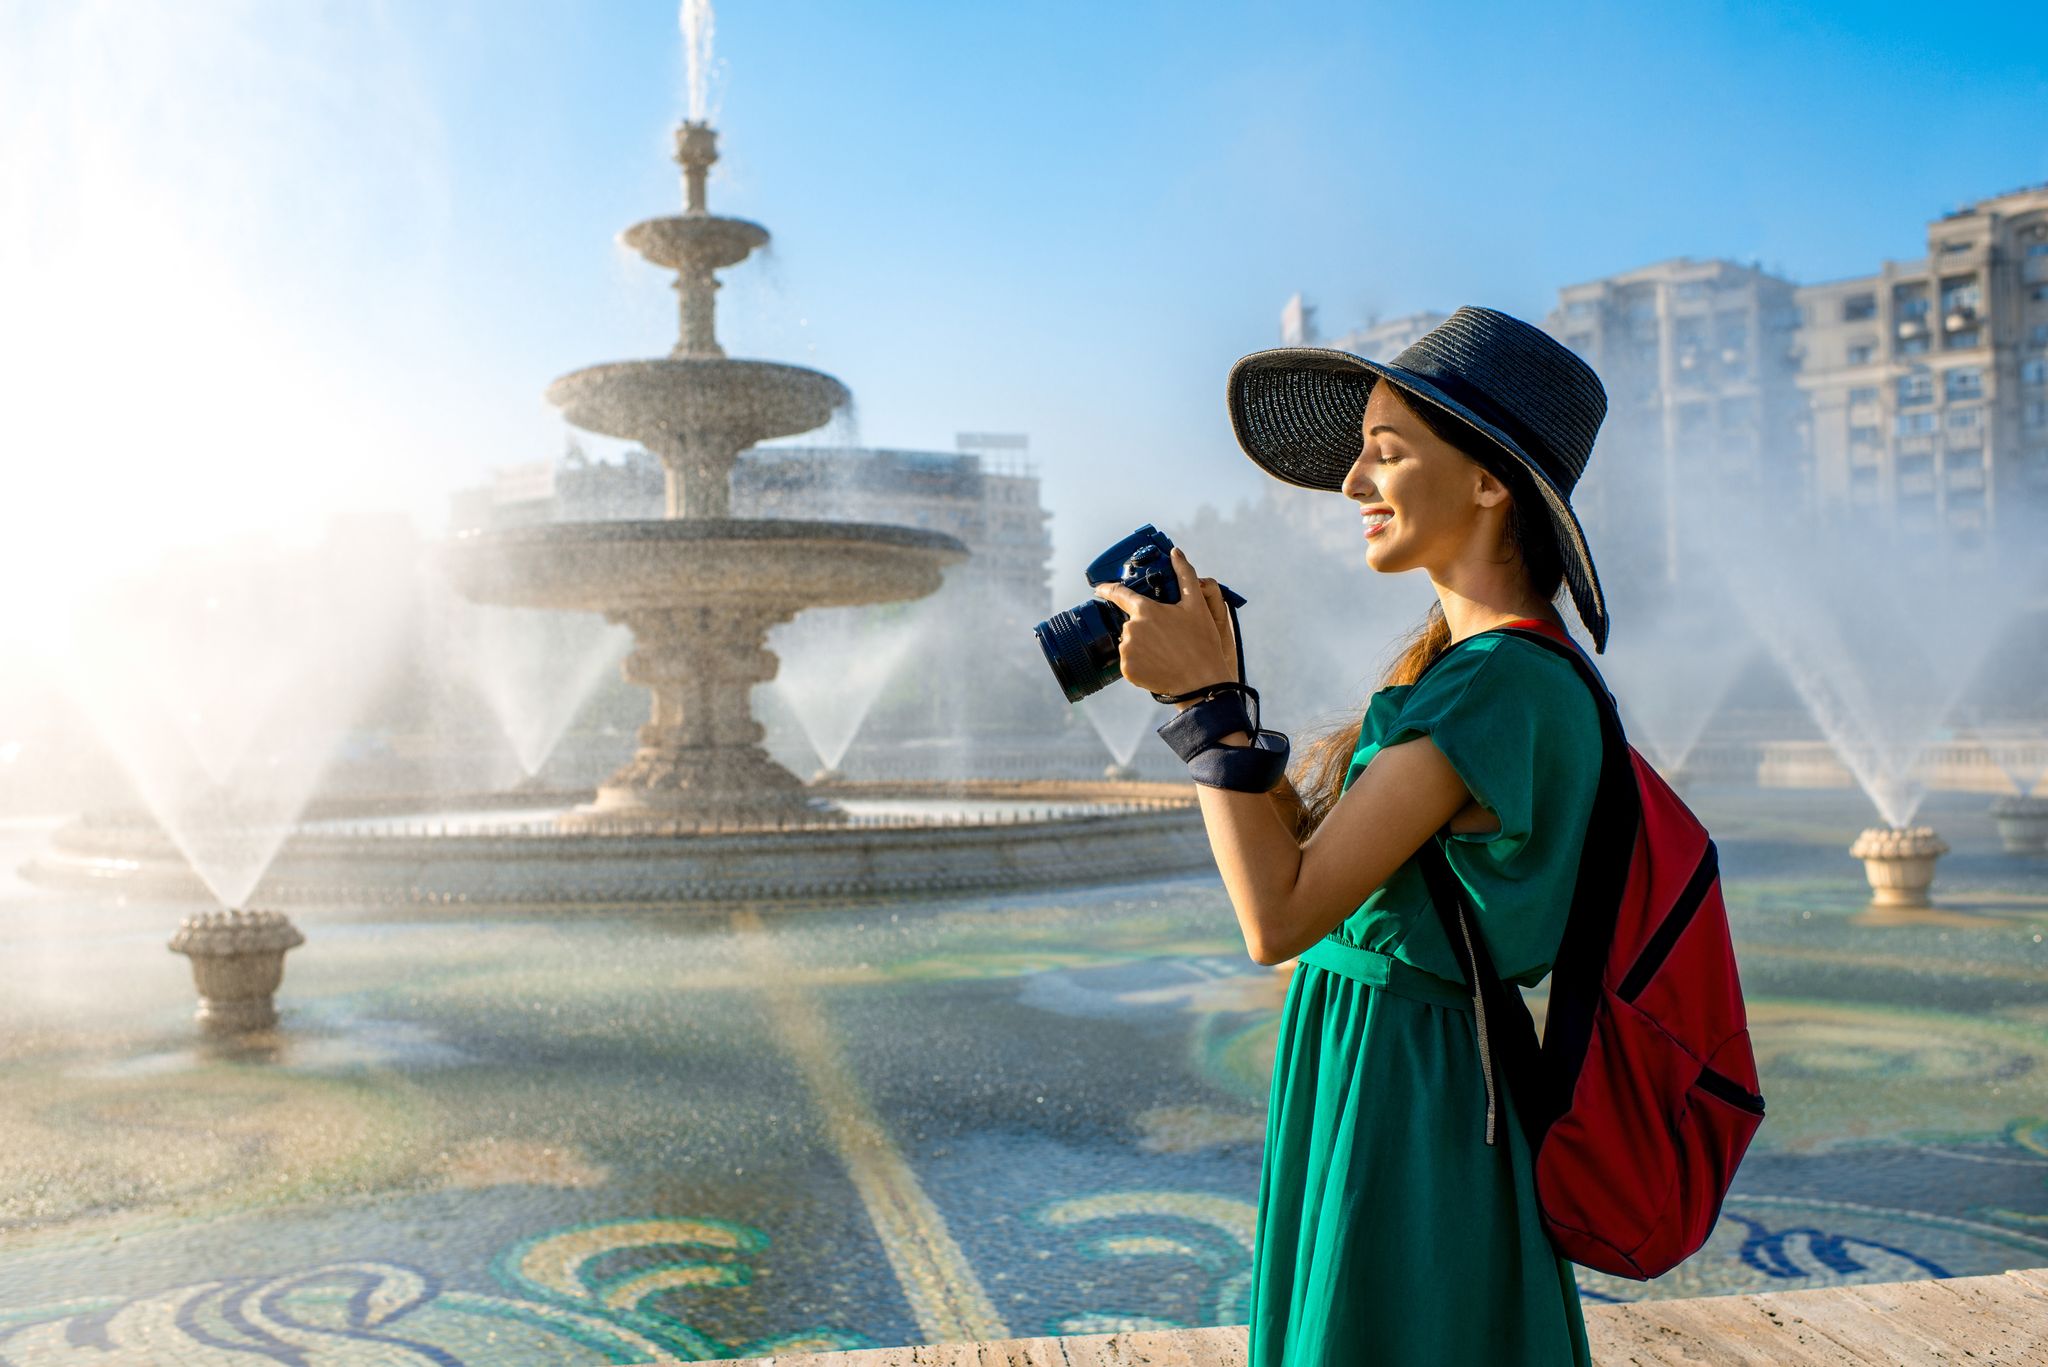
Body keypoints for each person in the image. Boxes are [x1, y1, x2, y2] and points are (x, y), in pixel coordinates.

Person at [1091, 307, 1611, 1365]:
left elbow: (1275, 914)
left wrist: (1205, 707)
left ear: (1485, 481)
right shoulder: (1470, 673)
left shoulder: (1500, 683)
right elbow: (1312, 869)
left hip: (1410, 1087)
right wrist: (1221, 692)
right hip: (1386, 1062)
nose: (1350, 485)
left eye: (1385, 453)